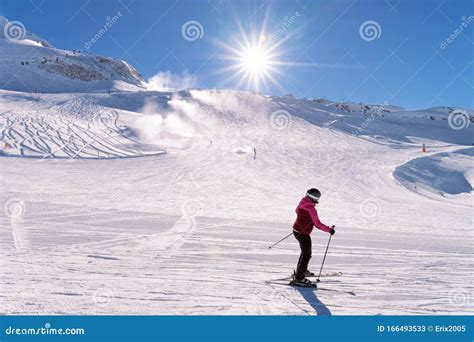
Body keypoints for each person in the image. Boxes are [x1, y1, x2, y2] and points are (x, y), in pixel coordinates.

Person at [292, 188, 335, 285]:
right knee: (307, 254)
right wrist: (329, 230)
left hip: (296, 230)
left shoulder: (302, 202)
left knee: (304, 253)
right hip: (303, 234)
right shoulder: (311, 209)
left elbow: (297, 211)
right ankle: (299, 278)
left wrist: (304, 221)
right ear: (314, 198)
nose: (318, 200)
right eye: (317, 198)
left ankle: (301, 271)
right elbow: (318, 224)